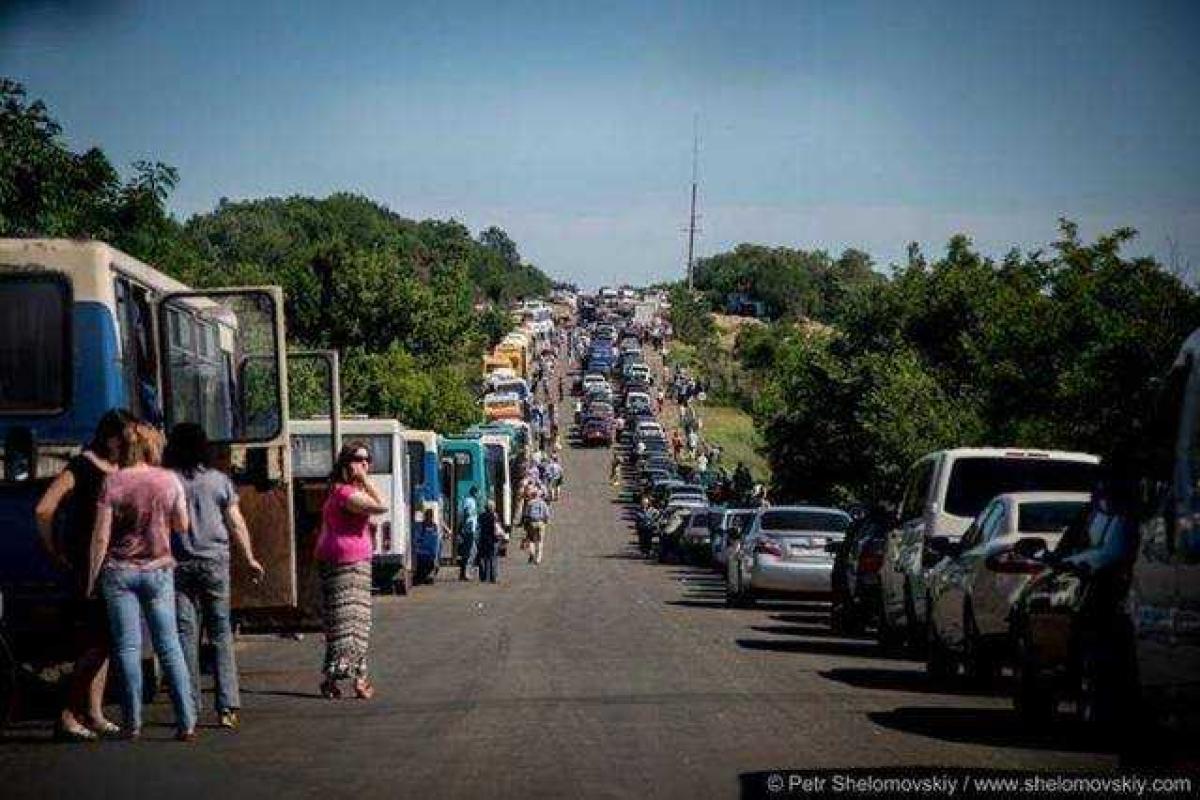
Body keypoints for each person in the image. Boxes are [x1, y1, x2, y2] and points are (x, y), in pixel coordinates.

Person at [86, 421, 197, 741]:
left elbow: (101, 535)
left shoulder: (112, 482)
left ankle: (133, 722)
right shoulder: (168, 480)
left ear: (122, 447)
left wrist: (92, 578)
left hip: (119, 572)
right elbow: (182, 526)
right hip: (159, 570)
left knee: (127, 647)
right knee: (169, 645)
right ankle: (186, 720)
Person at [35, 409, 132, 740]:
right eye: (128, 435)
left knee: (104, 640)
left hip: (112, 562)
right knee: (95, 641)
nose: (133, 441)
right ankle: (67, 713)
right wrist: (55, 551)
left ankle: (92, 711)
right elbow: (45, 508)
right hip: (89, 562)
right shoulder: (83, 465)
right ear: (111, 438)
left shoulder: (121, 468)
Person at [165, 423, 264, 730]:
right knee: (220, 633)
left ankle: (189, 707)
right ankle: (227, 707)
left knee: (186, 636)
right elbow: (236, 522)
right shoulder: (219, 480)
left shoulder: (167, 481)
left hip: (179, 565)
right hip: (214, 563)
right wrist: (249, 558)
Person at [314, 441, 388, 700]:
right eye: (359, 459)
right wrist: (365, 481)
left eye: (368, 460)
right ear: (346, 463)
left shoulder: (342, 491)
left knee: (355, 623)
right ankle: (351, 678)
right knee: (346, 623)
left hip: (353, 561)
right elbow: (380, 506)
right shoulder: (344, 493)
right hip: (344, 564)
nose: (365, 464)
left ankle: (344, 678)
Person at [413, 509, 446, 584]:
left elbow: (416, 539)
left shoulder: (422, 526)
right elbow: (437, 542)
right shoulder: (433, 526)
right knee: (425, 567)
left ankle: (424, 577)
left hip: (424, 554)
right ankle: (426, 577)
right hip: (429, 554)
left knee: (423, 568)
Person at [458, 486, 480, 581]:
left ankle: (465, 572)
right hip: (468, 528)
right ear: (475, 493)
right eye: (478, 493)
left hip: (471, 528)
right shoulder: (469, 501)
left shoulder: (473, 501)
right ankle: (465, 573)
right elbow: (466, 513)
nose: (479, 495)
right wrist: (464, 526)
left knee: (473, 551)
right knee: (469, 551)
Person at [476, 500, 501, 583]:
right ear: (492, 508)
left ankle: (485, 577)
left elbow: (478, 528)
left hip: (483, 539)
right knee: (493, 558)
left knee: (485, 558)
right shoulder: (494, 516)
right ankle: (493, 577)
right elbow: (496, 528)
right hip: (492, 539)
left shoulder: (481, 516)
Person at [524, 492, 551, 565]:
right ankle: (538, 558)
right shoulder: (543, 503)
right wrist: (546, 522)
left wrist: (525, 524)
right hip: (541, 522)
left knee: (531, 540)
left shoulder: (530, 503)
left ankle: (532, 554)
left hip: (532, 522)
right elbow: (547, 514)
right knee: (540, 541)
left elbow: (526, 514)